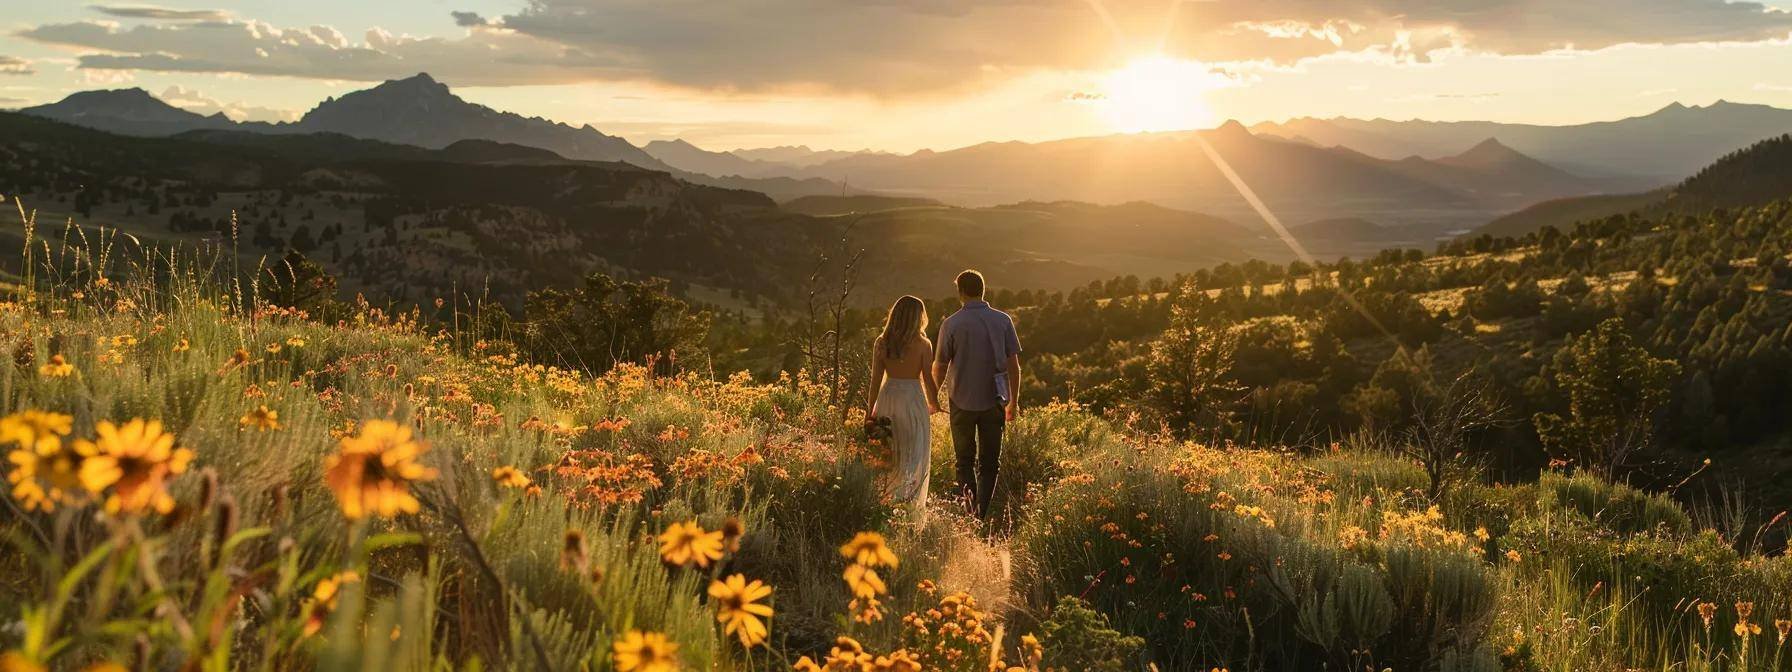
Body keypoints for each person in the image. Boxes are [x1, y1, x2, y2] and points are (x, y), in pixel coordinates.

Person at [932, 270, 1021, 520]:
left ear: (960, 292)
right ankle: (980, 515)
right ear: (983, 290)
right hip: (995, 400)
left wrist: (931, 397)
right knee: (990, 464)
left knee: (964, 461)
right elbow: (1013, 366)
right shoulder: (1003, 320)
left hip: (961, 400)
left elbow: (940, 366)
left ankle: (969, 515)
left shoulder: (951, 324)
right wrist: (1014, 401)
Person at [866, 295, 942, 514]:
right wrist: (935, 403)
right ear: (919, 317)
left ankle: (885, 505)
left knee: (890, 452)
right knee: (913, 452)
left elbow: (874, 380)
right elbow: (927, 378)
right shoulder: (923, 344)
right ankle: (908, 506)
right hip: (912, 400)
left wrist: (869, 412)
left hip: (888, 397)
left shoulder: (882, 342)